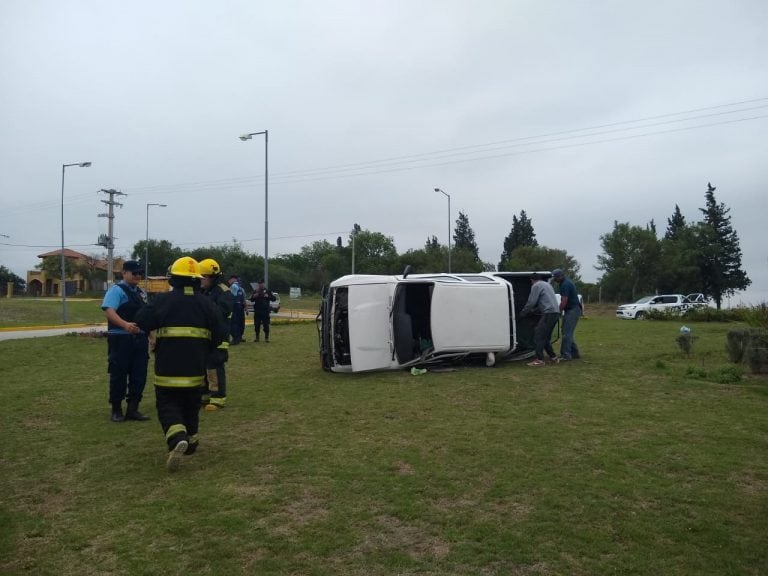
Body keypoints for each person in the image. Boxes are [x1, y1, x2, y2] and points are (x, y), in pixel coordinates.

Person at [135, 256, 227, 472]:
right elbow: (221, 332)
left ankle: (177, 438)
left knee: (168, 405)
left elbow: (142, 320)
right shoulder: (207, 304)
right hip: (195, 370)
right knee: (191, 405)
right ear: (196, 279)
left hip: (167, 369)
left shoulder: (162, 300)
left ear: (173, 279)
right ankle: (192, 440)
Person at [101, 259, 150, 422]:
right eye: (134, 273)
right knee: (118, 374)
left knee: (139, 374)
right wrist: (125, 325)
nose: (137, 276)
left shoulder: (141, 293)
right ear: (124, 273)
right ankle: (116, 410)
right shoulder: (116, 290)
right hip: (121, 339)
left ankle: (133, 409)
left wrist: (152, 336)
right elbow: (109, 311)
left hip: (140, 339)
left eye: (139, 273)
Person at [199, 259, 233, 410]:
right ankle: (205, 394)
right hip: (204, 337)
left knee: (214, 366)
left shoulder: (223, 291)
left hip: (218, 337)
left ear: (211, 277)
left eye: (203, 277)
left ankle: (218, 397)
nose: (200, 280)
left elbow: (222, 312)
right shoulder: (206, 290)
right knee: (203, 367)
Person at [519, 273, 561, 367]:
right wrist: (534, 310)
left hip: (548, 313)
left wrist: (523, 313)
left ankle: (540, 360)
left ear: (532, 280)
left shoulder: (536, 285)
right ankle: (553, 357)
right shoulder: (547, 284)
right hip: (555, 313)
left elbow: (531, 302)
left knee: (538, 335)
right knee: (544, 337)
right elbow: (545, 300)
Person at [552, 268, 582, 361]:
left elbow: (564, 300)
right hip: (572, 309)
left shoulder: (565, 284)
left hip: (573, 310)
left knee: (566, 333)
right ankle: (575, 353)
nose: (555, 280)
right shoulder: (564, 283)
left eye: (556, 277)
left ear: (561, 276)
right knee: (567, 332)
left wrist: (559, 311)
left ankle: (566, 355)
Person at [228, 274, 246, 345]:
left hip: (235, 306)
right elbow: (243, 299)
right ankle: (239, 337)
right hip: (240, 307)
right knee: (240, 323)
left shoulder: (233, 286)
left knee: (234, 322)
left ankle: (235, 339)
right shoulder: (241, 288)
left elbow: (231, 297)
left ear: (232, 279)